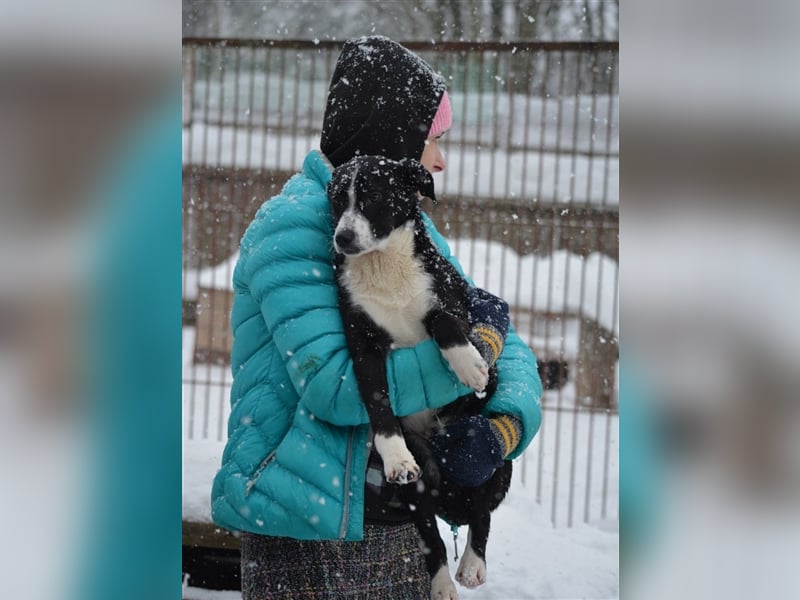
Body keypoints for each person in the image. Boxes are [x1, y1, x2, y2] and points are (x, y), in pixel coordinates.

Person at [211, 35, 542, 599]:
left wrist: (503, 422)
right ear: (389, 137)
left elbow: (496, 340)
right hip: (308, 525)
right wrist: (471, 351)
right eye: (432, 140)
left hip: (391, 510)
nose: (441, 159)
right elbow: (335, 385)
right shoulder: (293, 227)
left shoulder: (400, 219)